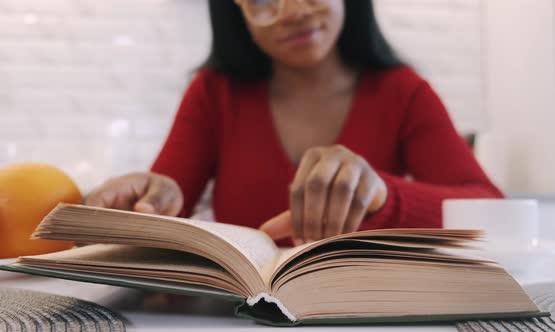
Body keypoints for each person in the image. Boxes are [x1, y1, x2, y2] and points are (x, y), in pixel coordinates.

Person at [84, 0, 503, 247]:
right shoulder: (215, 94)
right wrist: (142, 203)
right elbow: (160, 210)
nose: (295, 12)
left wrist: (383, 197)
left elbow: (493, 212)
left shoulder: (403, 92)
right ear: (237, 11)